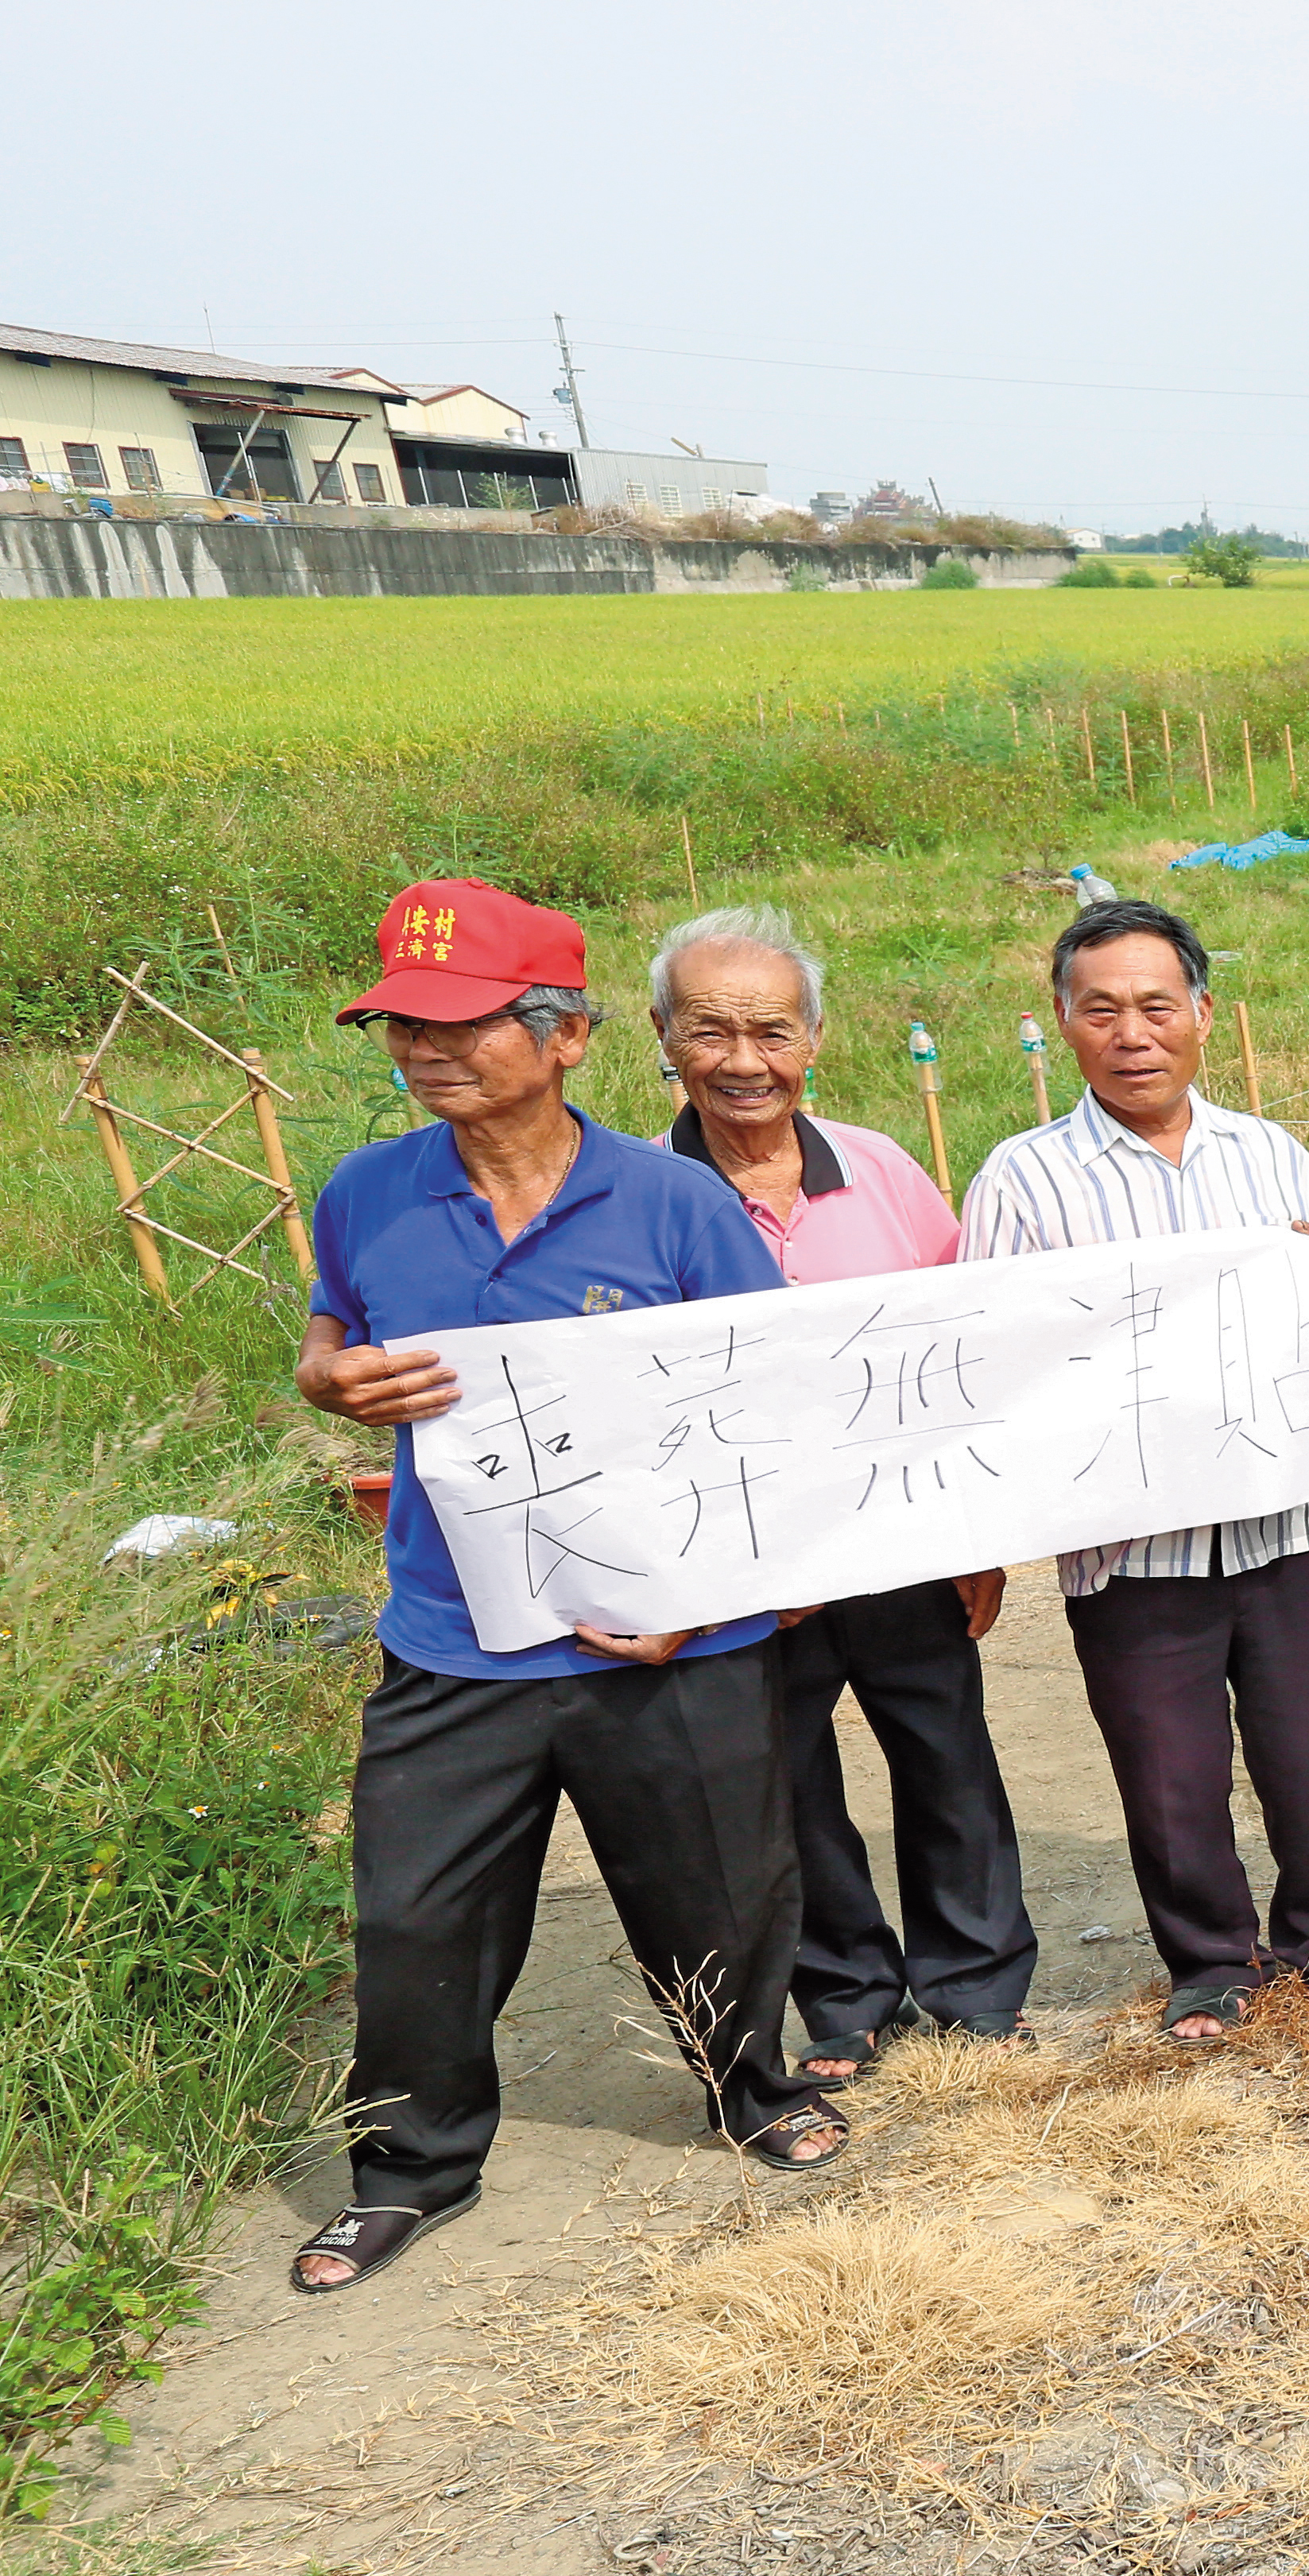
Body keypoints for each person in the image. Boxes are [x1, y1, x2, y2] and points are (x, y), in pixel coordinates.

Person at [289, 879, 842, 2292]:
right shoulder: (368, 1192)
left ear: (568, 1035)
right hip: (454, 1638)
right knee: (418, 1914)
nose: (427, 1052)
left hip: (667, 1637)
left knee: (715, 1892)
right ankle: (410, 2168)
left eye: (464, 1024)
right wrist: (330, 1381)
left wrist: (722, 1595)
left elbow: (762, 1411)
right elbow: (328, 1340)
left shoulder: (674, 1204)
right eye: (403, 1026)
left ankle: (753, 2090)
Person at [961, 897, 1309, 2046]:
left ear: (1204, 1016)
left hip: (1278, 1519)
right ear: (1062, 1022)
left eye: (1157, 1006)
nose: (1133, 1033)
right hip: (1127, 1536)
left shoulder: (1268, 1154)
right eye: (1102, 1009)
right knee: (1169, 1771)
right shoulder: (1023, 1179)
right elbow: (984, 1359)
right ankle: (1212, 1962)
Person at [651, 905, 1036, 2085]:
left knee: (947, 1753)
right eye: (709, 1030)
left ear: (813, 1039)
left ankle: (974, 1986)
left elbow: (963, 1351)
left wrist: (981, 1533)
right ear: (663, 1039)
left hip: (902, 1536)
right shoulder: (638, 1194)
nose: (743, 1060)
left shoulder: (879, 1169)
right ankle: (847, 1992)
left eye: (771, 1029)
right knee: (785, 1777)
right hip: (744, 1561)